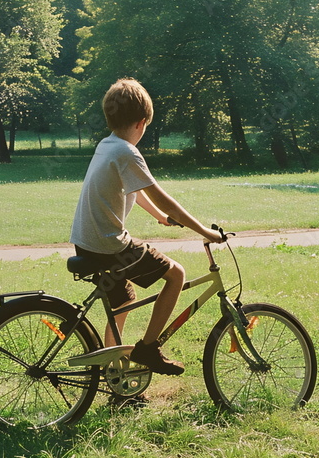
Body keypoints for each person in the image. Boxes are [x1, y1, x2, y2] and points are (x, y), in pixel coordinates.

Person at [70, 78, 222, 375]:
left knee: (123, 300)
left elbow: (134, 191)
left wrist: (159, 218)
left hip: (86, 241)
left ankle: (114, 373)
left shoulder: (107, 145)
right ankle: (148, 349)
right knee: (176, 275)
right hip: (110, 245)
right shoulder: (127, 152)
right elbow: (164, 199)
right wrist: (205, 232)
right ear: (142, 122)